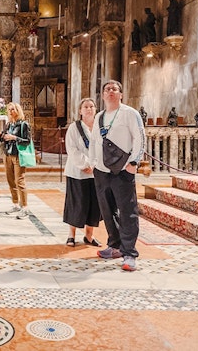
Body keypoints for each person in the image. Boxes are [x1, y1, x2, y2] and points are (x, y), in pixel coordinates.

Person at [92, 80, 145, 271]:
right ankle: (114, 246)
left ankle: (129, 253)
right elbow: (94, 141)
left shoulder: (130, 113)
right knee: (107, 211)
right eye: (107, 89)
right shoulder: (99, 116)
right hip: (102, 171)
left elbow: (140, 137)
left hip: (123, 170)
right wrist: (93, 163)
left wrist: (134, 162)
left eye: (114, 89)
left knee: (127, 211)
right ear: (103, 95)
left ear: (121, 94)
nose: (110, 92)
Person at [63, 98, 102, 247]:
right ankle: (71, 235)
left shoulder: (100, 127)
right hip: (77, 171)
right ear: (80, 111)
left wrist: (94, 165)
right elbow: (72, 149)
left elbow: (103, 148)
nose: (89, 109)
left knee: (94, 204)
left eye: (92, 106)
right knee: (77, 203)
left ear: (96, 109)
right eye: (86, 107)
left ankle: (89, 236)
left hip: (96, 172)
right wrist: (85, 164)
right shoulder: (74, 127)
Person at [0, 101, 32, 219]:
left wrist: (14, 137)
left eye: (13, 109)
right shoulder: (8, 124)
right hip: (8, 154)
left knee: (20, 181)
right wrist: (1, 136)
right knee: (11, 181)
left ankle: (25, 207)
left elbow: (27, 141)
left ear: (18, 111)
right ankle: (16, 204)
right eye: (9, 110)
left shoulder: (24, 124)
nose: (11, 112)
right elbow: (3, 139)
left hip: (18, 155)